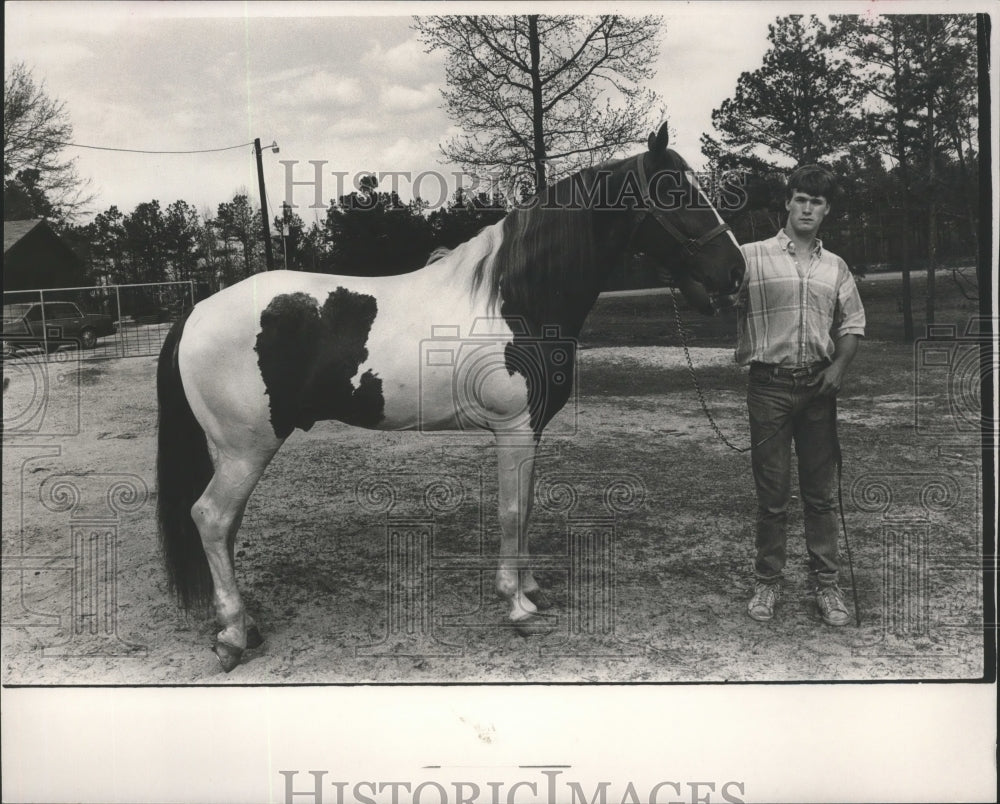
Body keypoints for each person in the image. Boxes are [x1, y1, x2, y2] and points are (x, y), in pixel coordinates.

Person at [734, 164, 866, 626]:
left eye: (818, 202)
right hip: (767, 387)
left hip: (818, 390)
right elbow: (711, 290)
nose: (808, 208)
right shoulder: (749, 256)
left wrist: (838, 368)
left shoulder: (836, 267)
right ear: (788, 202)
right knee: (772, 497)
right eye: (801, 199)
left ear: (826, 210)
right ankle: (767, 583)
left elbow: (852, 325)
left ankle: (827, 586)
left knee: (821, 496)